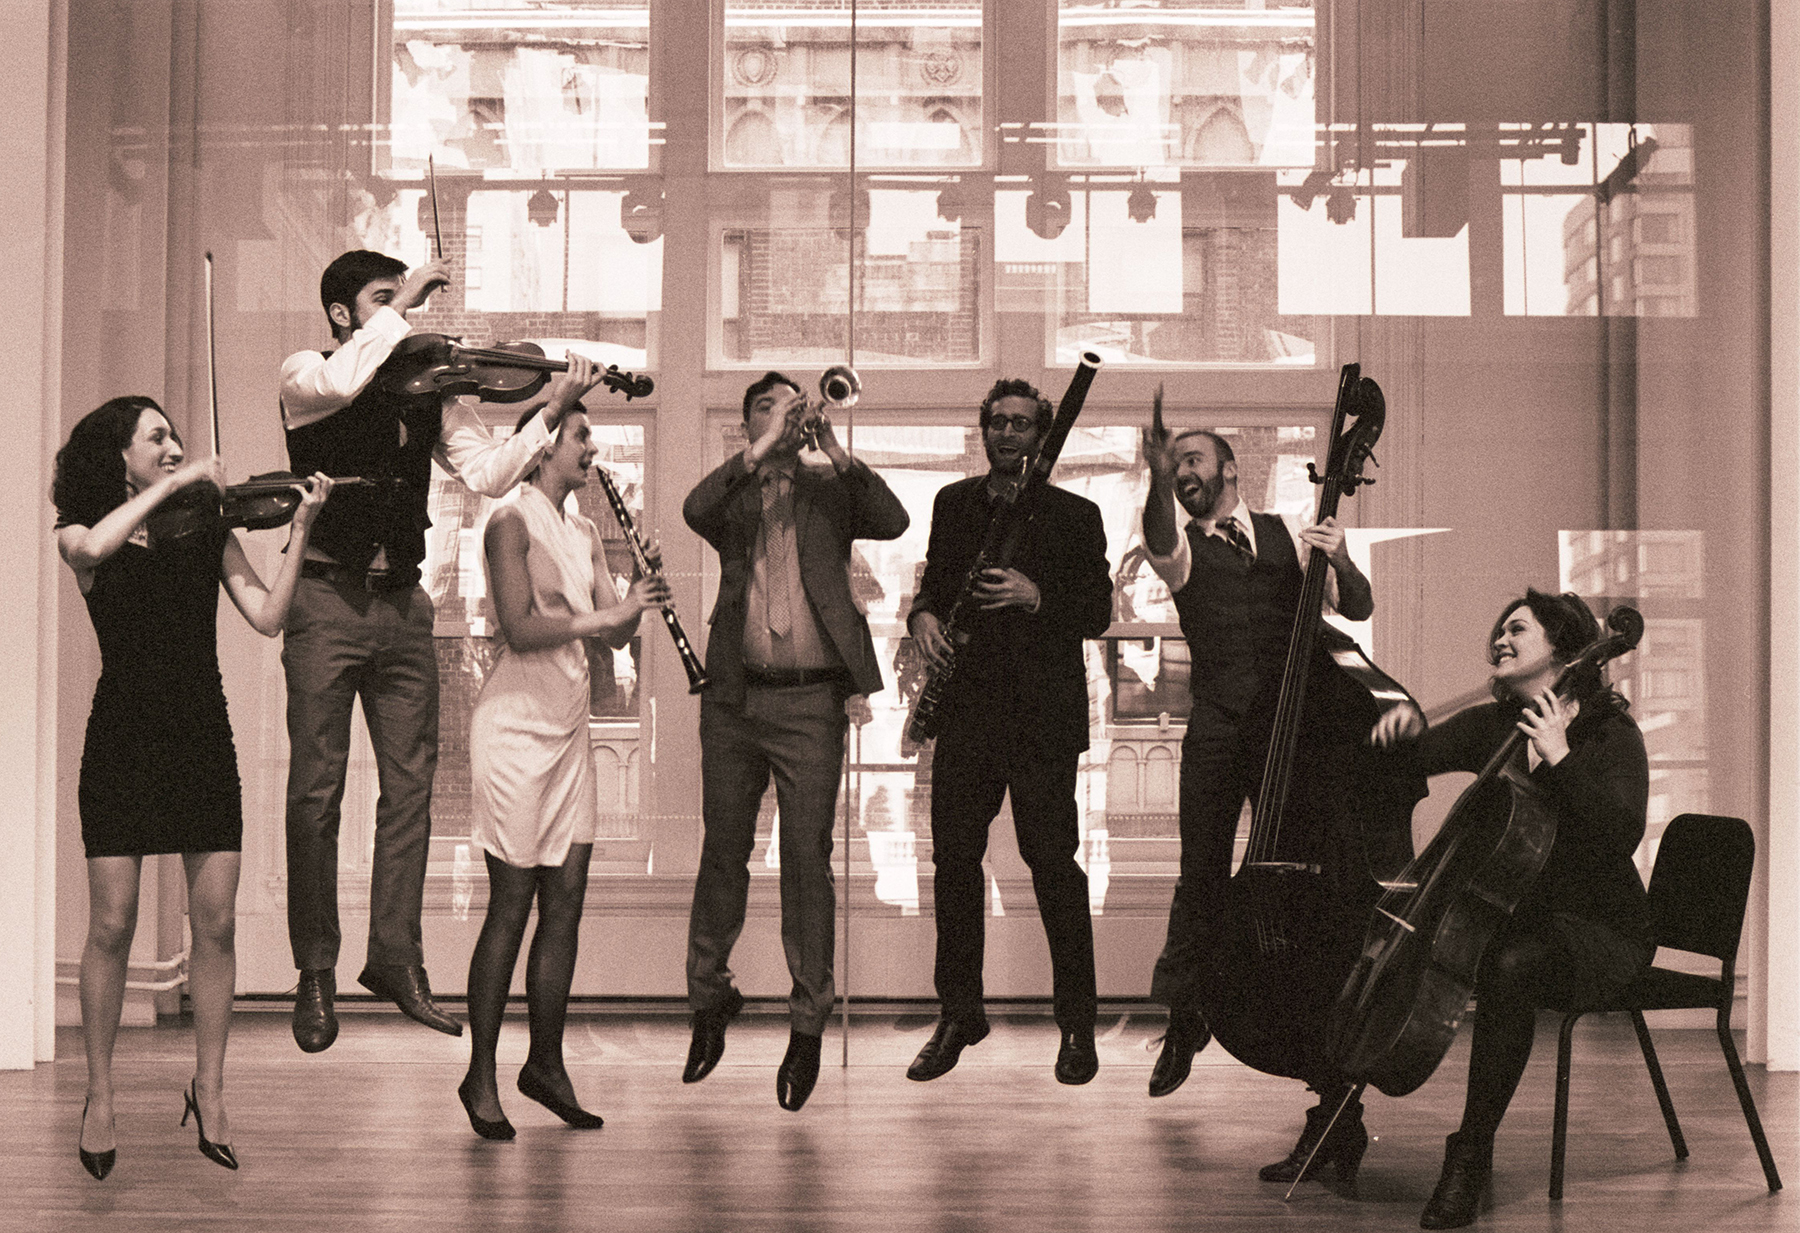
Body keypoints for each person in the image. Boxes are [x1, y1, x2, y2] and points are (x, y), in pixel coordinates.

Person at [279, 249, 577, 1053]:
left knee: (412, 790)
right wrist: (404, 301)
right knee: (316, 788)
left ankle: (395, 956)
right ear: (345, 313)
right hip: (324, 594)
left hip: (403, 604)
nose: (402, 316)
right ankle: (314, 968)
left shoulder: (427, 389)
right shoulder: (306, 371)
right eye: (381, 301)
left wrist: (551, 410)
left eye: (399, 300)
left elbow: (487, 473)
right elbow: (345, 383)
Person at [54, 396, 332, 1177]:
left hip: (202, 736)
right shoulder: (83, 535)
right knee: (111, 925)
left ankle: (209, 1090)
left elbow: (269, 616)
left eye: (175, 435)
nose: (175, 444)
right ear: (122, 457)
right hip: (121, 740)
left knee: (216, 925)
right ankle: (101, 1095)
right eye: (157, 437)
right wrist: (178, 487)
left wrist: (301, 528)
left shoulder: (208, 528)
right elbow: (94, 545)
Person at [1369, 590, 1650, 1229]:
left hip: (1603, 931)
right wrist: (1396, 735)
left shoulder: (1608, 731)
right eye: (1499, 628)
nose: (1500, 637)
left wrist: (1561, 755)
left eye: (1517, 629)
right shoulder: (1497, 726)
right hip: (1525, 919)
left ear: (1561, 647)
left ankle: (1470, 1154)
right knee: (1482, 949)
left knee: (1506, 965)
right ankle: (1337, 1116)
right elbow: (1413, 757)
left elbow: (1619, 839)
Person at [1138, 415, 1377, 1168]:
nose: (1183, 473)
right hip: (1216, 731)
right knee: (1201, 874)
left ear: (1231, 470)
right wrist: (1149, 475)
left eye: (1194, 460)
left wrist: (1340, 559)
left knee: (1299, 888)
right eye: (1175, 467)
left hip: (1289, 737)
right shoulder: (1183, 550)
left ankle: (1314, 1053)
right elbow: (1156, 535)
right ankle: (1187, 1014)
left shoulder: (1285, 535)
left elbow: (1357, 607)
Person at [681, 371, 908, 1111]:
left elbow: (894, 518)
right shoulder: (734, 493)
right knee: (723, 849)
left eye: (791, 406)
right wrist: (764, 451)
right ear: (749, 424)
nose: (785, 416)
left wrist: (833, 448)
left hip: (812, 698)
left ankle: (808, 1021)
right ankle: (710, 996)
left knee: (807, 859)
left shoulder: (828, 489)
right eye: (768, 408)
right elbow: (692, 507)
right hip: (735, 698)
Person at [456, 379, 672, 1140]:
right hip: (514, 729)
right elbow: (518, 625)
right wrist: (607, 613)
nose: (592, 447)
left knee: (567, 901)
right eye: (581, 435)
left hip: (568, 726)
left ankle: (544, 1062)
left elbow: (609, 634)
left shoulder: (581, 528)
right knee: (512, 904)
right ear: (544, 443)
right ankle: (480, 1073)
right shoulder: (507, 519)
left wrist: (638, 599)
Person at [903, 379, 1112, 1085]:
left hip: (1041, 719)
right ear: (983, 428)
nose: (1008, 433)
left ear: (1042, 434)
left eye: (1022, 424)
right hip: (966, 711)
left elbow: (1098, 610)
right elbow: (935, 583)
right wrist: (923, 617)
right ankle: (960, 1012)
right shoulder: (953, 504)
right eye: (997, 422)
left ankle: (1076, 1025)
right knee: (953, 864)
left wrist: (1037, 594)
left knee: (1054, 866)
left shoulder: (1076, 514)